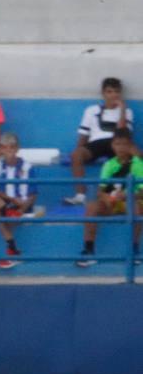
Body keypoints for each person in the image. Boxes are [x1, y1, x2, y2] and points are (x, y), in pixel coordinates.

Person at [78, 127, 143, 267]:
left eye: (124, 144)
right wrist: (106, 198)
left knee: (137, 208)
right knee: (92, 206)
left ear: (130, 146)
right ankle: (89, 251)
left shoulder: (138, 164)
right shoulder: (108, 165)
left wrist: (128, 196)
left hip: (131, 203)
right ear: (112, 145)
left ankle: (134, 249)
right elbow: (101, 191)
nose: (121, 148)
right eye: (118, 144)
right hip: (112, 203)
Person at [66, 77, 135, 206]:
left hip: (117, 142)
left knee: (133, 156)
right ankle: (80, 196)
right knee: (77, 155)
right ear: (103, 94)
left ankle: (123, 196)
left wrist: (122, 109)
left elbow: (122, 133)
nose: (114, 95)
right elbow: (84, 135)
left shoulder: (127, 111)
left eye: (116, 92)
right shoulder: (91, 110)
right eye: (109, 92)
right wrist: (78, 150)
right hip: (96, 143)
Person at [0, 133, 36, 269]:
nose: (9, 150)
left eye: (12, 147)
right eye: (5, 147)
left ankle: (11, 252)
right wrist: (11, 199)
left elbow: (33, 194)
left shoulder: (27, 166)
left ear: (17, 148)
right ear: (1, 149)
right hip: (7, 205)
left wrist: (22, 210)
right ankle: (12, 251)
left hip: (23, 206)